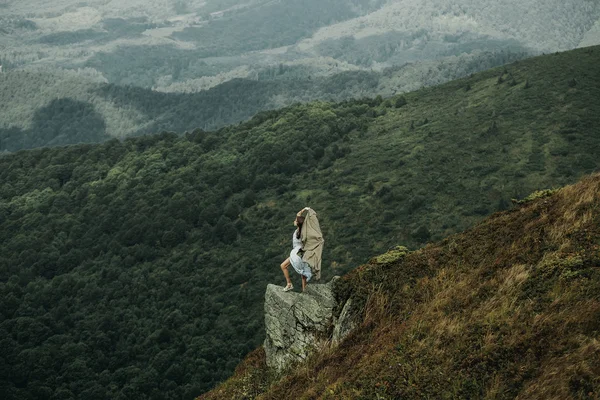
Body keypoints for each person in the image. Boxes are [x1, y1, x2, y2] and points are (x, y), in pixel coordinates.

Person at [280, 207, 324, 292]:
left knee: (283, 266)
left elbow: (298, 218)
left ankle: (289, 284)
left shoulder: (301, 233)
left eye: (295, 221)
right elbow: (298, 215)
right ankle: (303, 290)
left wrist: (306, 210)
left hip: (298, 253)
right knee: (303, 273)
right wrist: (305, 209)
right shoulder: (301, 229)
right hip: (301, 253)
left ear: (298, 224)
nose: (294, 221)